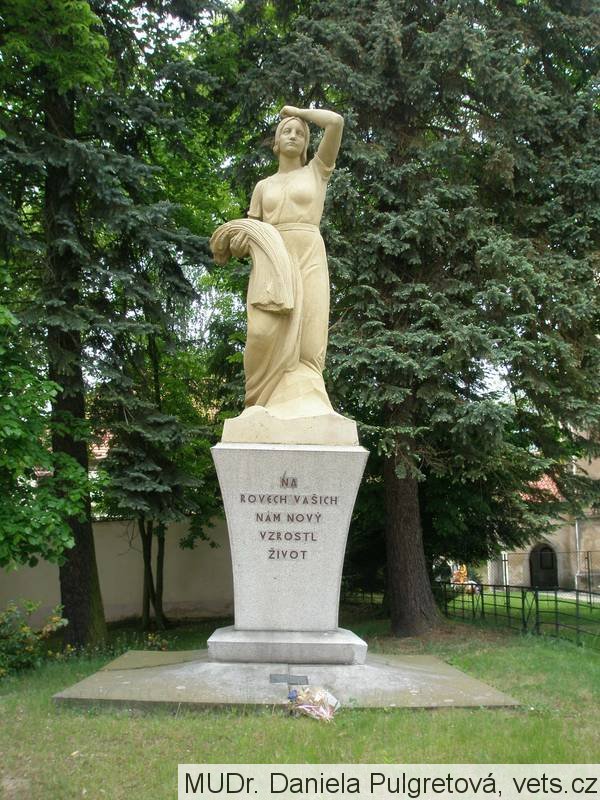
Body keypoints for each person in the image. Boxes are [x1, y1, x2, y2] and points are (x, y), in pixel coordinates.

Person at [211, 105, 344, 420]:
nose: (293, 135)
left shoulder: (316, 171)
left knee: (309, 343)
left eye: (300, 133)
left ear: (307, 143)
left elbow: (336, 123)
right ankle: (257, 403)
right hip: (271, 260)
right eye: (287, 131)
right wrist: (239, 243)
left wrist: (297, 113)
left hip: (308, 254)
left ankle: (307, 400)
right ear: (276, 141)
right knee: (261, 333)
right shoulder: (263, 186)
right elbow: (250, 232)